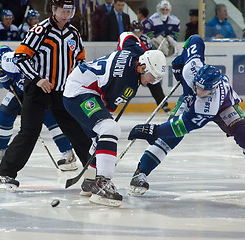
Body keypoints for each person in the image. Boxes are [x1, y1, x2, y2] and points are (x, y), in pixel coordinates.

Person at [127, 34, 245, 198]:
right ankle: (141, 172)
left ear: (212, 89)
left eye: (204, 90)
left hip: (224, 106)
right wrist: (182, 57)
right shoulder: (191, 67)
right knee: (170, 137)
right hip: (190, 99)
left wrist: (153, 131)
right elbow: (195, 39)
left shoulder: (208, 105)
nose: (199, 92)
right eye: (197, 86)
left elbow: (182, 125)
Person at [0, 0, 92, 191]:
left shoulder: (74, 33)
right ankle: (4, 174)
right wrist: (38, 79)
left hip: (63, 91)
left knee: (76, 130)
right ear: (54, 10)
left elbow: (80, 60)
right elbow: (20, 57)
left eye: (69, 11)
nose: (66, 15)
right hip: (38, 89)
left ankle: (95, 170)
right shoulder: (41, 30)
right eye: (63, 10)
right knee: (29, 132)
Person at [62, 49, 167, 207]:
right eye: (152, 76)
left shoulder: (134, 53)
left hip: (81, 85)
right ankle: (101, 183)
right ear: (142, 67)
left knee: (102, 134)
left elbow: (126, 37)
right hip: (79, 91)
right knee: (109, 129)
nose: (152, 82)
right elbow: (109, 106)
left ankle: (90, 180)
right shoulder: (127, 83)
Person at [0, 45, 77, 171]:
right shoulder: (7, 60)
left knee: (51, 119)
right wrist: (10, 82)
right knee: (5, 112)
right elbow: (4, 76)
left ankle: (68, 152)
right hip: (21, 89)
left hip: (42, 90)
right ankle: (0, 150)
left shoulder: (48, 62)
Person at [118, 20, 171, 113]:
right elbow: (119, 54)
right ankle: (114, 103)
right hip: (130, 67)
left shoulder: (146, 40)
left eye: (139, 31)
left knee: (153, 82)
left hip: (143, 66)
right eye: (135, 31)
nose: (137, 33)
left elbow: (151, 55)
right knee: (122, 85)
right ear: (131, 30)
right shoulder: (127, 39)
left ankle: (163, 104)